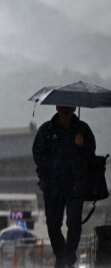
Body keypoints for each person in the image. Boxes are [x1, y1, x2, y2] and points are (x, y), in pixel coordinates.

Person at [32, 105, 96, 268]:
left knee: (74, 223)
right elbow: (38, 153)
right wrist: (45, 175)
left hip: (76, 184)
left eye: (69, 107)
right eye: (62, 106)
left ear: (74, 108)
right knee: (53, 224)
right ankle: (62, 257)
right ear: (56, 107)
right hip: (52, 185)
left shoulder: (83, 129)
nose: (65, 110)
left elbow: (91, 155)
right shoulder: (46, 130)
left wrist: (82, 146)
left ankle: (67, 259)